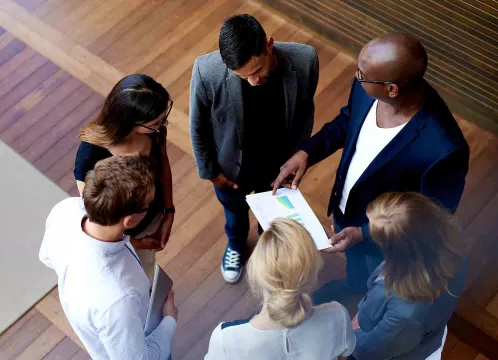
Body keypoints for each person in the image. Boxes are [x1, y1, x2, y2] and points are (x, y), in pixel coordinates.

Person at [272, 33, 469, 295]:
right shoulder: (369, 87)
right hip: (346, 214)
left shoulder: (445, 149)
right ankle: (354, 287)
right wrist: (307, 153)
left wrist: (364, 233)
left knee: (379, 284)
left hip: (385, 242)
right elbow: (348, 121)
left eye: (361, 73)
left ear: (392, 89)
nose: (356, 76)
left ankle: (367, 303)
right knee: (356, 269)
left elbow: (431, 219)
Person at [190, 14, 319, 283]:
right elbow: (198, 126)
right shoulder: (206, 71)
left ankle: (267, 248)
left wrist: (297, 155)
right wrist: (210, 171)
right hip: (230, 169)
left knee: (271, 219)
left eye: (258, 71)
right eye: (243, 76)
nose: (253, 81)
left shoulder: (306, 60)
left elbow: (305, 111)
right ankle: (236, 245)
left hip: (277, 165)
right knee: (234, 215)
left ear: (269, 45)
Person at [39, 155, 178, 360]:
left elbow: (46, 257)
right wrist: (169, 321)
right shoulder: (118, 299)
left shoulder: (65, 210)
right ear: (129, 220)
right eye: (149, 204)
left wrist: (131, 243)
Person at [205, 218, 355, 359]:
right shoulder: (337, 317)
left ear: (256, 273)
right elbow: (343, 355)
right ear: (313, 274)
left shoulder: (226, 340)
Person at [74, 74, 175, 282]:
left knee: (146, 273)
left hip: (150, 220)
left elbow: (163, 165)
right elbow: (99, 218)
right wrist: (136, 244)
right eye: (156, 122)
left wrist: (168, 211)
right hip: (119, 238)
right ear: (128, 121)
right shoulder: (90, 154)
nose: (163, 124)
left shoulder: (154, 132)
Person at [350, 192, 467, 360]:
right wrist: (360, 233)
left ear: (399, 252)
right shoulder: (449, 239)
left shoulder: (406, 313)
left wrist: (350, 334)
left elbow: (366, 352)